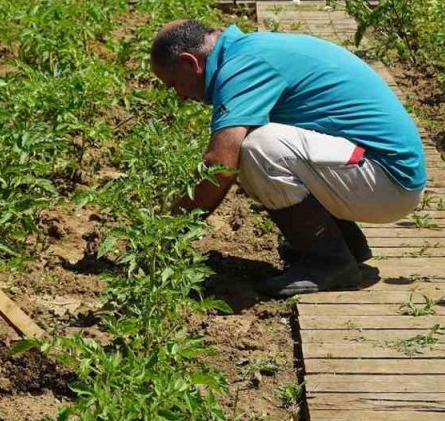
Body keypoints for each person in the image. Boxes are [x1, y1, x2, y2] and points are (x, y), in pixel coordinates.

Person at [149, 19, 427, 297]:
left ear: (189, 62)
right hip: (380, 173)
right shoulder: (247, 51)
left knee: (255, 147)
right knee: (257, 145)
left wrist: (168, 230)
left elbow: (220, 165)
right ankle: (344, 245)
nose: (180, 95)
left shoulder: (242, 65)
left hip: (389, 182)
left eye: (174, 84)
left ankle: (329, 262)